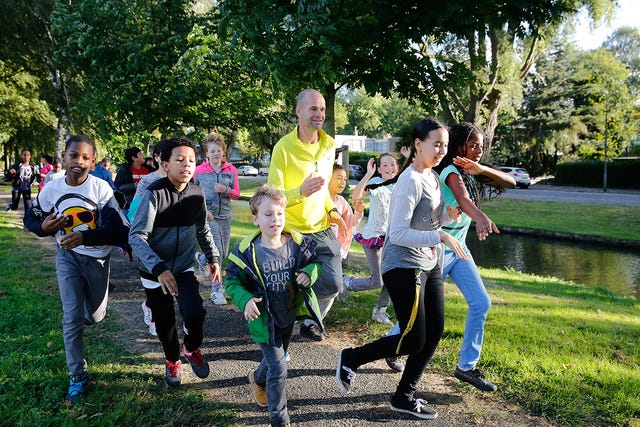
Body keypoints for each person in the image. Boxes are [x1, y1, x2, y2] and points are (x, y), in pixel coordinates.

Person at [335, 118, 467, 420]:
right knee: (414, 338)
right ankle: (352, 358)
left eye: (444, 145)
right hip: (403, 265)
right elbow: (397, 233)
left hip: (429, 263)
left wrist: (446, 217)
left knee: (433, 332)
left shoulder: (432, 177)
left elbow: (426, 223)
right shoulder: (409, 179)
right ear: (418, 145)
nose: (441, 150)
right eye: (436, 144)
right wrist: (441, 235)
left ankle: (404, 396)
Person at [23, 135, 130, 404]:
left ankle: (91, 308)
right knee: (71, 317)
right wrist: (42, 228)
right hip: (67, 256)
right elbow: (32, 217)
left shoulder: (101, 189)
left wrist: (85, 237)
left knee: (94, 317)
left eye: (85, 157)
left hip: (98, 258)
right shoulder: (52, 189)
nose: (78, 162)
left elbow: (119, 230)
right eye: (73, 155)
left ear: (93, 162)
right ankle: (77, 376)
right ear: (64, 157)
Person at [225, 184, 323, 427]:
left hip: (287, 315)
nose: (275, 219)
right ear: (255, 219)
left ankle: (257, 379)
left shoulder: (297, 244)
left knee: (274, 361)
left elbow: (317, 263)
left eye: (280, 213)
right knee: (279, 369)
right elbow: (232, 282)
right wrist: (245, 299)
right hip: (263, 321)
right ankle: (279, 417)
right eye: (268, 214)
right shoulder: (248, 252)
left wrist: (309, 273)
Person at [128, 136, 220, 388]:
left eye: (191, 160)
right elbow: (136, 236)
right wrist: (159, 269)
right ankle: (172, 360)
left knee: (194, 313)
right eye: (179, 160)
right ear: (164, 164)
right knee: (165, 322)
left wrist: (212, 257)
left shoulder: (196, 194)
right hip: (154, 271)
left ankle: (191, 349)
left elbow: (202, 230)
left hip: (182, 268)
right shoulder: (154, 194)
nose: (187, 165)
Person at [267, 88, 346, 342]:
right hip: (290, 231)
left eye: (322, 109)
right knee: (285, 290)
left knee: (333, 284)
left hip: (320, 227)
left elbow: (322, 190)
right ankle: (279, 331)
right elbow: (272, 194)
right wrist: (299, 192)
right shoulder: (283, 148)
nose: (319, 114)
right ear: (299, 111)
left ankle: (311, 321)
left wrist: (332, 210)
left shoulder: (330, 145)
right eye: (313, 109)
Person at [338, 153, 402, 328]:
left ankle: (379, 311)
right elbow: (356, 196)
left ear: (397, 168)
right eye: (385, 165)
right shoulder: (375, 183)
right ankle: (347, 283)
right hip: (373, 237)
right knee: (378, 280)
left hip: (392, 239)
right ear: (379, 169)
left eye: (392, 165)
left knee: (392, 276)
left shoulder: (400, 186)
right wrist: (368, 174)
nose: (389, 168)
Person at [126, 140, 171, 337]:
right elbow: (136, 210)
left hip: (170, 237)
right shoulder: (148, 180)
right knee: (153, 277)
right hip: (149, 236)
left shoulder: (182, 178)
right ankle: (153, 314)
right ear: (158, 158)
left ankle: (151, 305)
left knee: (169, 281)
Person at [193, 132, 240, 305]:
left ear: (223, 153)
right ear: (206, 153)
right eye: (212, 151)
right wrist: (202, 210)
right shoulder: (199, 171)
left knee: (224, 253)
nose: (216, 154)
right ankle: (216, 290)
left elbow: (236, 194)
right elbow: (190, 192)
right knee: (217, 253)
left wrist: (225, 190)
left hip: (225, 217)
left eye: (219, 151)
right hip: (208, 217)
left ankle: (201, 258)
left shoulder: (231, 170)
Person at [114, 146, 151, 213]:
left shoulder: (149, 169)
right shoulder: (125, 170)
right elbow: (117, 187)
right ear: (134, 158)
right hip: (130, 206)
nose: (143, 156)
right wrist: (133, 186)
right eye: (140, 154)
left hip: (148, 204)